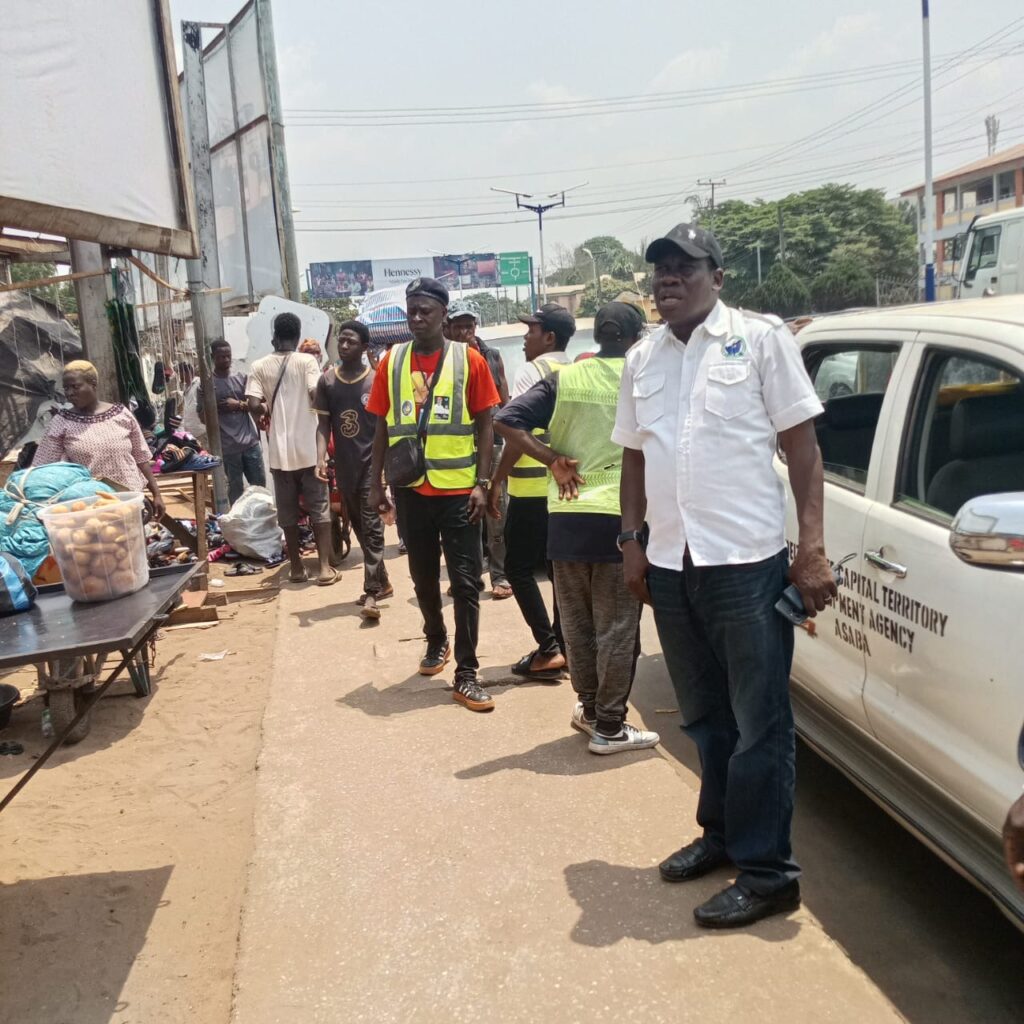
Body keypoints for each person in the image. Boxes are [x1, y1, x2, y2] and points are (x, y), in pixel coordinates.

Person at [613, 223, 836, 928]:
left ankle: (770, 875)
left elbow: (802, 449)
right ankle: (723, 836)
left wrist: (813, 548)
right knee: (706, 717)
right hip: (674, 567)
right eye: (659, 271)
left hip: (746, 566)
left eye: (684, 267)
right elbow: (634, 458)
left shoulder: (763, 341)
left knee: (759, 724)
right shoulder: (643, 356)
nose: (667, 280)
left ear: (718, 274)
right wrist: (630, 541)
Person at [495, 302, 659, 754]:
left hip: (566, 516)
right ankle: (610, 726)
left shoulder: (568, 378)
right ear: (635, 336)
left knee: (578, 623)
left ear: (598, 336)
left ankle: (588, 710)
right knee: (618, 627)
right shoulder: (643, 377)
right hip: (620, 520)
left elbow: (506, 419)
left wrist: (553, 460)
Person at [367, 278, 500, 713]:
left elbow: (486, 423)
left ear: (444, 314)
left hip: (460, 491)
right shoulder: (392, 360)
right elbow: (382, 426)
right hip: (410, 492)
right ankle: (436, 639)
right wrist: (375, 485)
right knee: (423, 579)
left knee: (464, 582)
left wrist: (484, 483)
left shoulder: (469, 360)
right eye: (412, 311)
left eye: (426, 310)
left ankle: (467, 671)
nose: (418, 317)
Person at [489, 305, 577, 681]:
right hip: (567, 492)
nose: (526, 337)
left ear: (550, 338)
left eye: (532, 330)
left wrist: (496, 481)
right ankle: (566, 645)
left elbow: (513, 432)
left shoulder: (531, 372)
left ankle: (549, 647)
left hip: (530, 490)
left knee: (518, 568)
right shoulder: (575, 371)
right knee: (559, 571)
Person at [246, 312, 337, 586]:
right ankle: (323, 568)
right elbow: (314, 392)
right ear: (297, 337)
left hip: (279, 455)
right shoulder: (307, 361)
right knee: (320, 508)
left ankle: (296, 568)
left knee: (287, 513)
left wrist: (264, 412)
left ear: (274, 335)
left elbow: (252, 403)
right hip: (309, 449)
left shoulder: (259, 365)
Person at [316, 320, 392, 620]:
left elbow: (385, 427)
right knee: (359, 525)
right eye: (341, 341)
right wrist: (320, 458)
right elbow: (323, 424)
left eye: (351, 341)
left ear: (363, 346)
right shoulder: (327, 382)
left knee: (372, 527)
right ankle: (383, 581)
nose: (344, 346)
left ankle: (371, 592)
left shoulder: (375, 381)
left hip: (372, 465)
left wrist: (386, 468)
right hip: (344, 467)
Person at [34, 359, 165, 517]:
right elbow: (43, 468)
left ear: (93, 385)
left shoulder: (121, 414)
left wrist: (157, 495)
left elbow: (141, 458)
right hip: (90, 505)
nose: (69, 393)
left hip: (129, 501)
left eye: (75, 386)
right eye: (66, 388)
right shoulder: (62, 421)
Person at [446, 299, 512, 601]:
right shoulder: (444, 359)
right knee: (463, 515)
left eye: (468, 326)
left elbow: (504, 398)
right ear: (449, 328)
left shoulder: (491, 355)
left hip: (492, 442)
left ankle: (499, 574)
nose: (464, 332)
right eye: (458, 326)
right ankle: (470, 575)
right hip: (458, 447)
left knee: (497, 510)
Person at [197, 339, 265, 506]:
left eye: (228, 356)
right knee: (236, 491)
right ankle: (241, 524)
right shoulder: (205, 386)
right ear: (213, 358)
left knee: (260, 489)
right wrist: (212, 404)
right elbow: (202, 418)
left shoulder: (242, 379)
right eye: (221, 357)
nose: (226, 360)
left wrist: (239, 405)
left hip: (250, 444)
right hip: (228, 448)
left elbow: (261, 406)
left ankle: (263, 522)